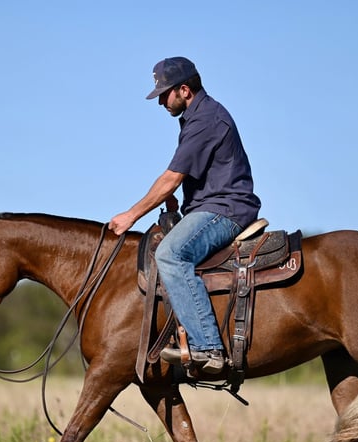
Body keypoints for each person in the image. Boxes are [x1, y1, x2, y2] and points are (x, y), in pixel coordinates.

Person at [108, 57, 261, 375]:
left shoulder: (205, 119)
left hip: (226, 210)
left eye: (165, 94)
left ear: (184, 90)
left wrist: (131, 215)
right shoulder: (195, 117)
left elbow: (171, 178)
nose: (161, 101)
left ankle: (208, 347)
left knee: (170, 254)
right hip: (211, 205)